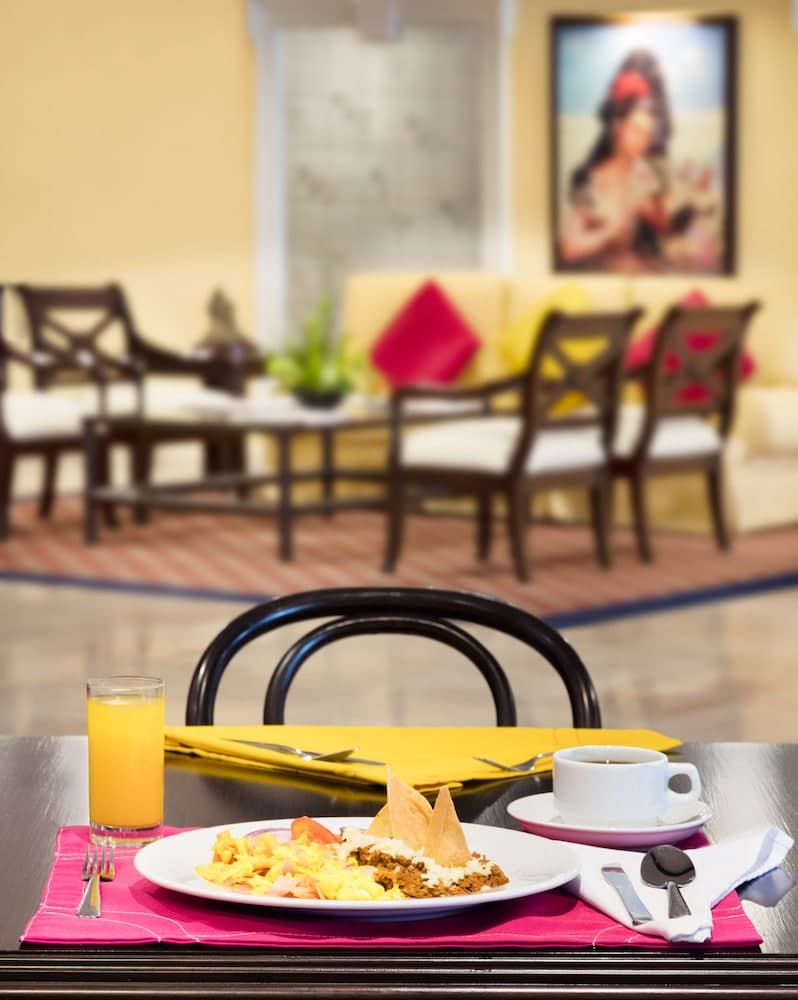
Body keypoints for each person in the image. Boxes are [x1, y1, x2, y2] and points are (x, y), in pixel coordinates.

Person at [557, 49, 699, 272]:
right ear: (618, 126)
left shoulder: (648, 175)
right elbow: (569, 247)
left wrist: (683, 203)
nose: (643, 139)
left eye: (647, 132)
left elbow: (663, 224)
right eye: (636, 129)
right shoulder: (588, 177)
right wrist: (610, 230)